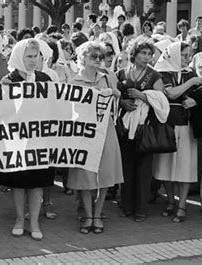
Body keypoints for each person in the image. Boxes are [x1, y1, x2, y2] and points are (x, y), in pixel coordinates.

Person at [0, 39, 54, 241]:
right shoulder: (9, 80)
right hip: (16, 141)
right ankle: (20, 220)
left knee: (37, 183)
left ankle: (34, 222)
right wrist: (2, 93)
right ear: (19, 57)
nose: (33, 60)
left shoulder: (45, 79)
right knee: (19, 183)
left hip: (39, 140)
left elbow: (55, 107)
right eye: (29, 56)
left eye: (36, 55)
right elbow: (2, 113)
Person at [67, 41, 123, 234]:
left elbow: (118, 100)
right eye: (94, 57)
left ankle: (98, 214)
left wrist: (116, 94)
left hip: (106, 129)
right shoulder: (74, 81)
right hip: (84, 131)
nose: (99, 60)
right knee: (84, 175)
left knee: (105, 173)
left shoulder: (108, 77)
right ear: (83, 58)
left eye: (101, 57)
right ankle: (88, 215)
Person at [153, 42, 202, 223]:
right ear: (175, 55)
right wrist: (191, 82)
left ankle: (182, 204)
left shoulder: (190, 72)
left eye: (190, 55)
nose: (188, 59)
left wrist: (195, 102)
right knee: (166, 165)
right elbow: (171, 94)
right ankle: (170, 199)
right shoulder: (163, 72)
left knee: (185, 166)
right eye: (184, 55)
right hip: (167, 124)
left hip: (186, 125)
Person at [116, 39, 166, 222]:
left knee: (144, 169)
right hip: (125, 127)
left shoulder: (154, 76)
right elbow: (114, 94)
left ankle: (141, 209)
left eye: (149, 54)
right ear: (134, 54)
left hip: (145, 128)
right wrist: (122, 102)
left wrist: (143, 96)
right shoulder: (122, 72)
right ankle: (126, 205)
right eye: (143, 53)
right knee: (126, 167)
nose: (146, 57)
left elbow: (161, 100)